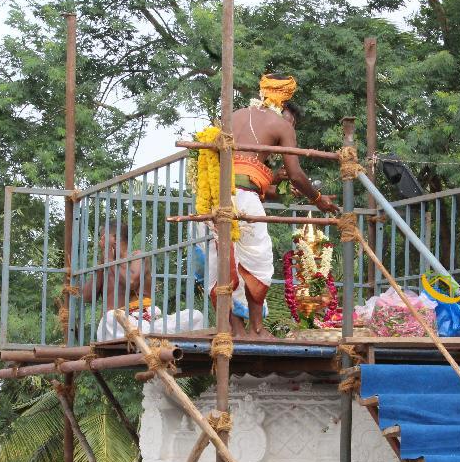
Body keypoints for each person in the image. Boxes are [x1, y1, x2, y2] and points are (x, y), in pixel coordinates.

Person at [206, 73, 339, 339]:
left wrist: (269, 183)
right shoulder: (281, 125)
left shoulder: (235, 115)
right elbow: (297, 175)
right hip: (244, 200)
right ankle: (257, 328)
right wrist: (318, 200)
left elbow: (244, 174)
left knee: (224, 260)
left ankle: (235, 329)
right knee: (259, 263)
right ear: (286, 100)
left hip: (215, 198)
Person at [82, 221, 204, 340]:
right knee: (110, 317)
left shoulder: (138, 256)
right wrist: (102, 264)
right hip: (119, 326)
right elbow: (87, 297)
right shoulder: (104, 266)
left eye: (103, 237)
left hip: (145, 322)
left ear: (114, 238)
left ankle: (148, 338)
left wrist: (109, 260)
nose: (100, 242)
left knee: (195, 316)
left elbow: (131, 283)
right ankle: (146, 339)